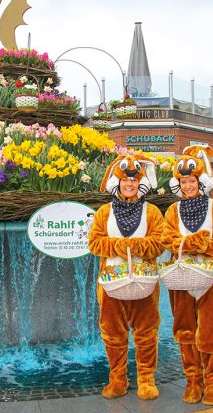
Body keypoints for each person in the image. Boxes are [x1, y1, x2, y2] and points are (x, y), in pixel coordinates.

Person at [161, 145, 213, 407]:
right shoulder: (172, 211)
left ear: (200, 181)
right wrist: (189, 242)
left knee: (212, 331)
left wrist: (204, 245)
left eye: (192, 181)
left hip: (210, 280)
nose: (188, 186)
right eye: (183, 182)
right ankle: (193, 381)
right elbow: (166, 238)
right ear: (178, 183)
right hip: (181, 281)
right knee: (184, 330)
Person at [88, 154, 164, 401]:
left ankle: (146, 379)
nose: (129, 184)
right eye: (124, 180)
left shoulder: (152, 212)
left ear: (140, 183)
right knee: (112, 333)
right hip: (111, 284)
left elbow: (160, 243)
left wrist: (138, 247)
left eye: (134, 180)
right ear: (117, 183)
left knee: (146, 332)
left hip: (145, 284)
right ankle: (118, 379)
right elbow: (94, 243)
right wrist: (121, 246)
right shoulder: (103, 212)